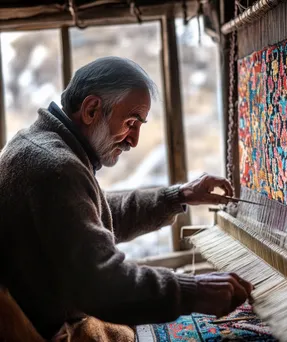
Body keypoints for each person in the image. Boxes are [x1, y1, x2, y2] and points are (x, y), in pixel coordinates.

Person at [0, 57, 252, 341]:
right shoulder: (54, 167)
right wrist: (195, 291)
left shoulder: (36, 146)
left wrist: (179, 196)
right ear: (91, 109)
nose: (133, 140)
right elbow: (99, 285)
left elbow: (94, 217)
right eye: (131, 122)